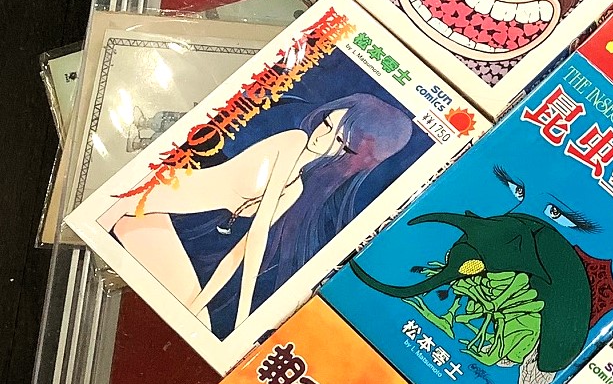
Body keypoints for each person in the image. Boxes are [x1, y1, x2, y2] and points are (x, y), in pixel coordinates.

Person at [102, 94, 414, 331]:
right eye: (327, 123)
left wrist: (228, 313)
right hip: (142, 195)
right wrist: (244, 313)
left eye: (340, 141)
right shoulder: (293, 141)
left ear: (352, 154)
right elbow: (259, 233)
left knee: (200, 321)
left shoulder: (296, 188)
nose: (320, 137)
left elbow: (238, 256)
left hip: (151, 219)